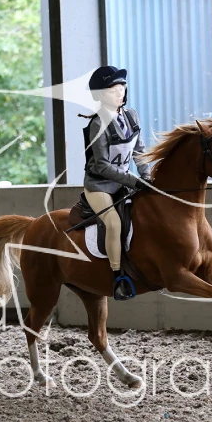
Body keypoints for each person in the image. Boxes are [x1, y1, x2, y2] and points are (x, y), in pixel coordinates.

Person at [83, 65, 153, 300]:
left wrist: (146, 176)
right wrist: (135, 181)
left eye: (122, 88)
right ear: (101, 95)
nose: (120, 93)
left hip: (125, 182)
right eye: (113, 90)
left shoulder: (131, 115)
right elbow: (102, 166)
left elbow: (140, 151)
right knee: (113, 223)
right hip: (100, 186)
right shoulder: (98, 124)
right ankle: (118, 278)